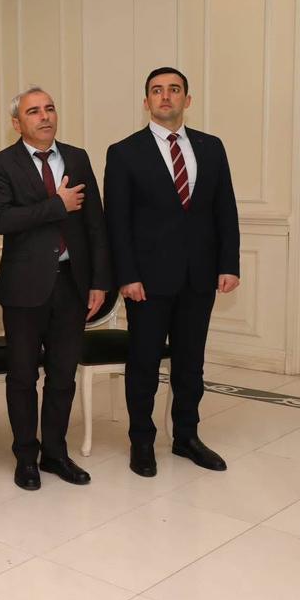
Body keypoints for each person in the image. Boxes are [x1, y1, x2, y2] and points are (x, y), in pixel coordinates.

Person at [104, 67, 240, 477]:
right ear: (146, 101)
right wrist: (127, 276)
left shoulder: (211, 147)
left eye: (174, 90)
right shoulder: (124, 152)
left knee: (190, 364)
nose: (166, 96)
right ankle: (141, 441)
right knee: (144, 364)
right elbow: (117, 223)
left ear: (187, 99)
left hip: (200, 277)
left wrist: (229, 264)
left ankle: (186, 437)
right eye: (157, 90)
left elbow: (225, 210)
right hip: (147, 282)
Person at [0, 86, 111, 491]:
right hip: (23, 289)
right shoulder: (0, 164)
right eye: (34, 111)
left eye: (49, 109)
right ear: (16, 122)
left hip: (72, 284)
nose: (44, 117)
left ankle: (55, 453)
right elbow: (4, 220)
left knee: (62, 376)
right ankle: (26, 456)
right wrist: (57, 205)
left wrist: (99, 281)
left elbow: (95, 223)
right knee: (22, 377)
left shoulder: (77, 157)